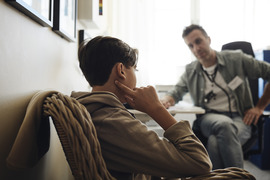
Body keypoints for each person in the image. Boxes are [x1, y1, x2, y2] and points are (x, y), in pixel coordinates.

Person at [71, 36, 212, 179]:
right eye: (134, 69)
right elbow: (200, 162)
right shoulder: (113, 122)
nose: (135, 75)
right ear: (121, 70)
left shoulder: (95, 111)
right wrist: (157, 109)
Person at [161, 24, 270, 169]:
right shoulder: (191, 70)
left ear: (208, 39)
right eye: (191, 46)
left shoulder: (236, 59)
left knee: (214, 142)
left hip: (240, 118)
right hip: (209, 118)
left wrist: (260, 107)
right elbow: (176, 92)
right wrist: (166, 100)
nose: (196, 48)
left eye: (198, 41)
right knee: (224, 124)